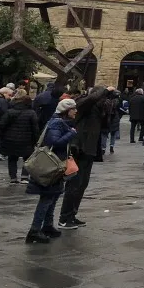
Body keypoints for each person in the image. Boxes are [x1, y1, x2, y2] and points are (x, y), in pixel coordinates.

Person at [25, 98, 79, 243]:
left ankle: (47, 226)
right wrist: (71, 133)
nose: (76, 111)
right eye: (73, 109)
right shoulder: (57, 123)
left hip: (57, 165)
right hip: (51, 166)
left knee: (53, 196)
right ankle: (35, 230)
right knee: (47, 198)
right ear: (66, 111)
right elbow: (54, 142)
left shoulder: (62, 123)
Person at [58, 85, 109, 229]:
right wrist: (105, 90)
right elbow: (92, 98)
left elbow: (106, 125)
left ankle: (72, 215)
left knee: (82, 184)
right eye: (102, 97)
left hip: (90, 150)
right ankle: (64, 217)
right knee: (74, 184)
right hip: (80, 148)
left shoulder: (98, 109)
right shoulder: (83, 104)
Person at [1, 88, 39, 183]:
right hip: (27, 140)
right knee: (27, 158)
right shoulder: (31, 113)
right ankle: (24, 176)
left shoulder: (10, 112)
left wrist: (4, 136)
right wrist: (36, 140)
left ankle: (13, 177)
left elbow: (2, 124)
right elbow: (35, 128)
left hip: (11, 139)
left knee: (12, 158)